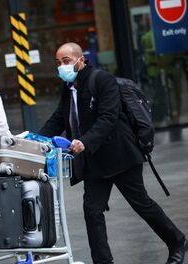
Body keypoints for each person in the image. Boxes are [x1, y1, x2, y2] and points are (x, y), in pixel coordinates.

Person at [39, 42, 187, 264]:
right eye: (58, 63)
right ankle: (103, 261)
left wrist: (85, 142)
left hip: (120, 156)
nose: (62, 67)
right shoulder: (70, 88)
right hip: (93, 161)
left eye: (66, 61)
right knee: (92, 210)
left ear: (81, 60)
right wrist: (34, 139)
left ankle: (177, 241)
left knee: (141, 204)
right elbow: (59, 118)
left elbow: (108, 117)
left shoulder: (102, 80)